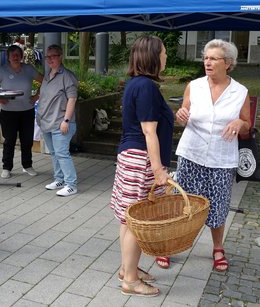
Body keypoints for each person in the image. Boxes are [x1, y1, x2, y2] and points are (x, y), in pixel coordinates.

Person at [166, 39, 250, 273]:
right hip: (191, 153)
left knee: (219, 206)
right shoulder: (194, 85)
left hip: (221, 159)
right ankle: (170, 245)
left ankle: (217, 248)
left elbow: (247, 125)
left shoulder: (240, 91)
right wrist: (181, 115)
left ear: (228, 63)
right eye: (206, 58)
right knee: (181, 203)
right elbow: (184, 113)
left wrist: (239, 122)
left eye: (214, 59)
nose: (208, 62)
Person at [109, 35, 173, 297]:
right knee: (138, 221)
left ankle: (128, 269)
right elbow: (149, 131)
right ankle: (131, 280)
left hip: (131, 156)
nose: (166, 57)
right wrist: (158, 170)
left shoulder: (136, 83)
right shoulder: (146, 87)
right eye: (164, 53)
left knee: (129, 218)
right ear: (153, 56)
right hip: (141, 160)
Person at [0, 45, 43, 179]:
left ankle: (27, 165)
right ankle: (6, 167)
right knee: (9, 140)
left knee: (27, 140)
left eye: (18, 54)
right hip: (8, 112)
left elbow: (44, 81)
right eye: (13, 55)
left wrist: (36, 97)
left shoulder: (28, 69)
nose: (15, 57)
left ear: (21, 56)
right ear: (8, 57)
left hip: (27, 111)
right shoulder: (2, 71)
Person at [37, 44, 78, 197]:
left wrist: (66, 120)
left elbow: (72, 99)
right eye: (47, 57)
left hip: (61, 122)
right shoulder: (48, 75)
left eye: (53, 56)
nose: (50, 59)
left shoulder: (67, 76)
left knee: (62, 153)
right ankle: (59, 179)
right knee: (54, 153)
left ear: (61, 56)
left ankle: (71, 184)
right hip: (47, 122)